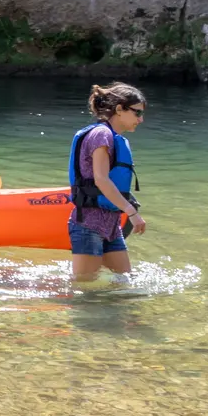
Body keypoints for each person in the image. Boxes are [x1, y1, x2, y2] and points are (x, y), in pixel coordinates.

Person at [66, 82, 147, 283]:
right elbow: (101, 179)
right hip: (89, 225)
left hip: (110, 225)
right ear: (119, 109)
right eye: (137, 113)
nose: (141, 119)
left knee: (126, 282)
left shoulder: (114, 137)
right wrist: (132, 213)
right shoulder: (101, 135)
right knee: (83, 291)